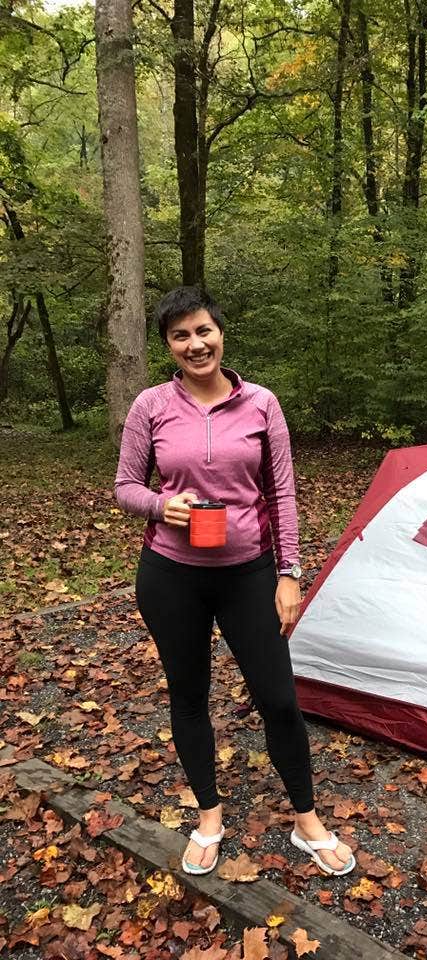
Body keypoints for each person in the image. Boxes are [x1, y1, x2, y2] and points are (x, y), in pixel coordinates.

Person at [114, 286, 355, 878]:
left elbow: (283, 494)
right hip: (172, 576)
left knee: (278, 697)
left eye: (203, 331)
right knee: (189, 695)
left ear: (221, 333)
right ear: (168, 345)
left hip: (249, 574)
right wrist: (160, 504)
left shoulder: (262, 405)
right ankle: (209, 815)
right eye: (180, 336)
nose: (195, 344)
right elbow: (124, 487)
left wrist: (290, 572)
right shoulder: (150, 406)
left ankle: (306, 819)